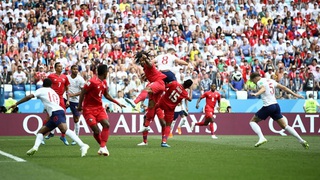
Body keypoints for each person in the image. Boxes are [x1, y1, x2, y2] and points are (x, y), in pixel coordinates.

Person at [8, 78, 89, 157]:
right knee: (41, 132)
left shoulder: (41, 90)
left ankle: (83, 145)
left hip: (55, 112)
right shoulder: (54, 92)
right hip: (57, 112)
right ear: (51, 85)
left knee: (64, 129)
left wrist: (17, 103)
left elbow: (29, 96)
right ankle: (35, 148)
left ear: (43, 84)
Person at [249, 72, 309, 148]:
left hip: (268, 106)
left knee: (252, 121)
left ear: (255, 78)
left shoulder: (259, 82)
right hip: (276, 105)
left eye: (253, 81)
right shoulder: (270, 80)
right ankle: (301, 140)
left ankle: (262, 138)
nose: (254, 83)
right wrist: (295, 94)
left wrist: (256, 94)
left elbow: (263, 89)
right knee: (285, 126)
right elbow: (283, 87)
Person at [77, 64, 126, 156]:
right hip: (88, 109)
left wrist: (117, 103)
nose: (108, 73)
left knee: (106, 124)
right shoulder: (91, 82)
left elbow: (106, 95)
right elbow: (83, 92)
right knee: (96, 130)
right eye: (107, 71)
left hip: (99, 108)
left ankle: (103, 147)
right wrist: (80, 106)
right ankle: (103, 147)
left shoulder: (104, 82)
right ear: (105, 73)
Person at [134, 51, 167, 146]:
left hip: (159, 87)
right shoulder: (146, 70)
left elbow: (149, 63)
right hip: (155, 98)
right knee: (148, 117)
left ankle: (136, 102)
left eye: (142, 61)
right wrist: (145, 77)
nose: (141, 63)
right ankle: (145, 141)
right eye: (140, 61)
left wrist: (145, 58)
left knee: (162, 123)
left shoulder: (149, 64)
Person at [156, 80, 193, 147]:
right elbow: (190, 99)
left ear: (184, 82)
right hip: (170, 108)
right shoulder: (184, 93)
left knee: (154, 107)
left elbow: (165, 87)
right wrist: (191, 90)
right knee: (168, 125)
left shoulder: (175, 83)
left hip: (163, 101)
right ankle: (164, 142)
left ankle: (147, 117)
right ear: (188, 87)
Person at [45, 62, 70, 145]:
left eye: (61, 66)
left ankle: (63, 136)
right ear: (55, 68)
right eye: (59, 66)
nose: (61, 68)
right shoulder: (51, 76)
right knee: (49, 117)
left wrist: (68, 100)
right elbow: (46, 87)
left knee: (63, 117)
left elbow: (67, 89)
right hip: (52, 99)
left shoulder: (64, 77)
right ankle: (43, 134)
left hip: (61, 99)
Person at [64, 65, 85, 145]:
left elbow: (83, 91)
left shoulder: (80, 79)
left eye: (77, 69)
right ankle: (52, 133)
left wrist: (73, 95)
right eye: (74, 69)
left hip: (75, 101)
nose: (75, 70)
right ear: (71, 70)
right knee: (59, 114)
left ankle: (76, 137)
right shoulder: (67, 77)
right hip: (65, 99)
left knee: (76, 119)